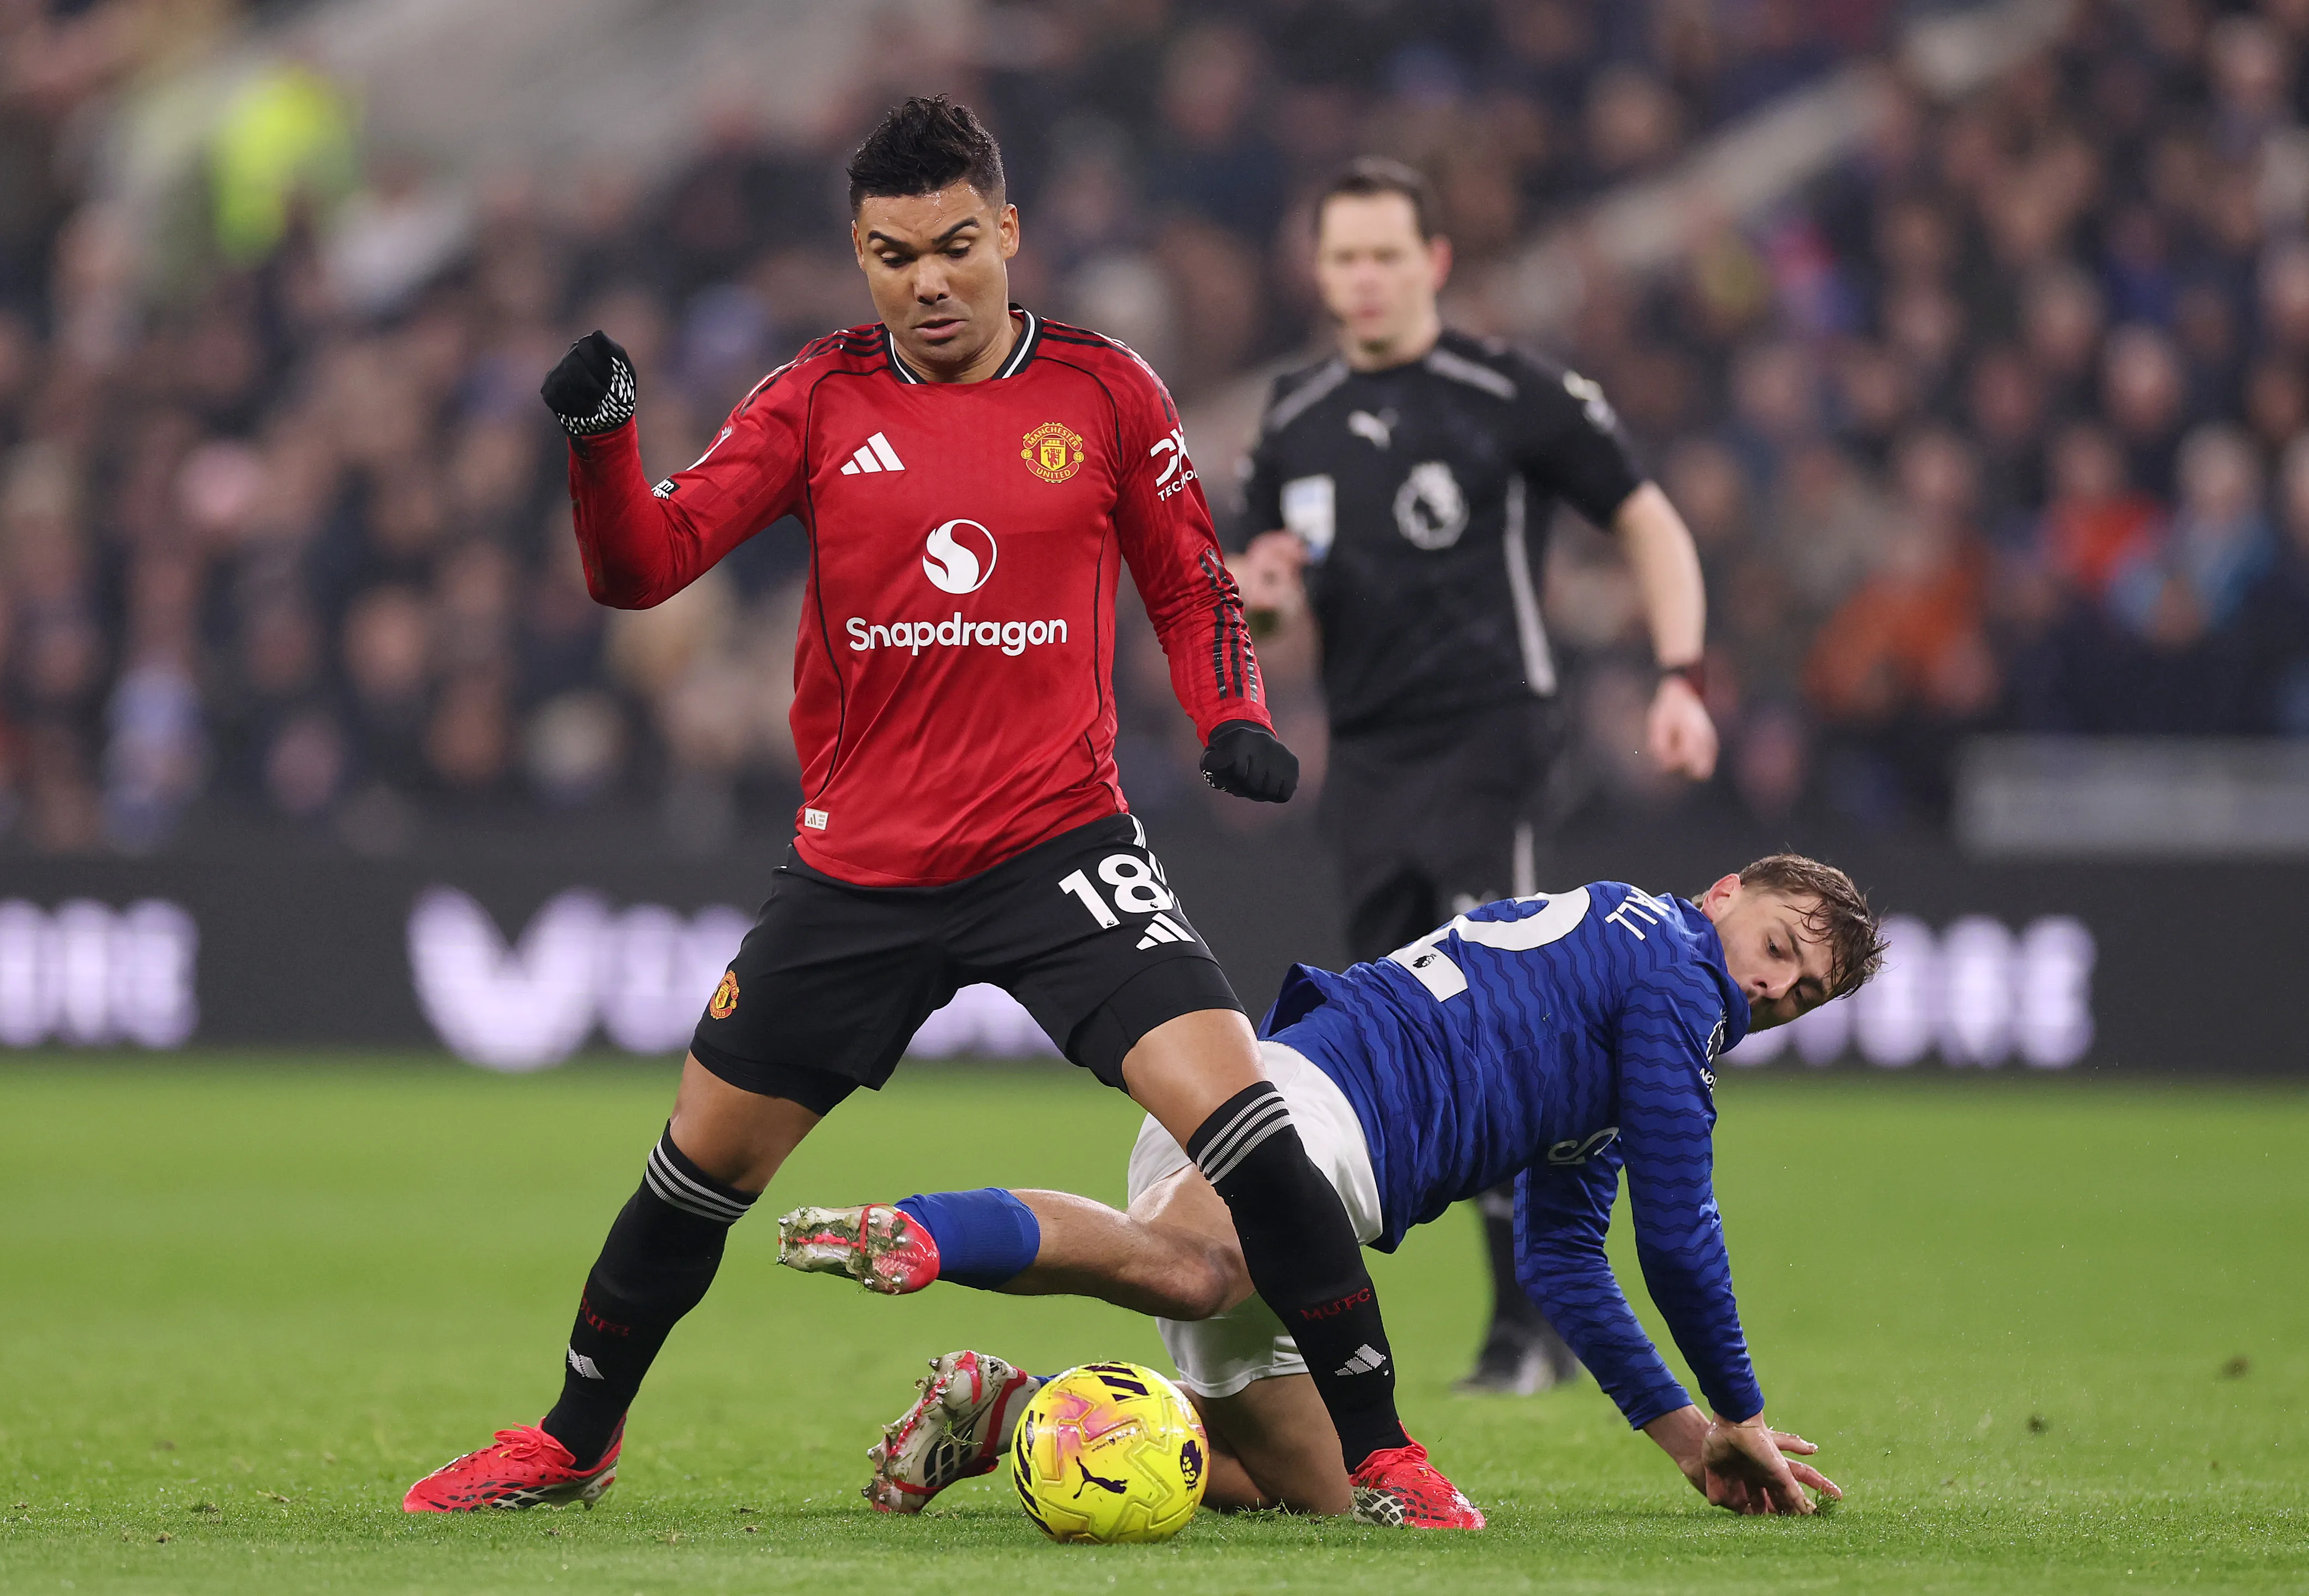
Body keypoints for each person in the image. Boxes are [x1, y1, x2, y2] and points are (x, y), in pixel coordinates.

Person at [403, 98, 1463, 1520]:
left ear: (1008, 233)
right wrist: (604, 445)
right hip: (863, 872)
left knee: (1248, 1128)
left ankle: (1387, 1453)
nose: (932, 282)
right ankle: (574, 1439)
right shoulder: (818, 397)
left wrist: (1235, 717)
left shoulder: (1102, 391)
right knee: (693, 1173)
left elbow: (1189, 579)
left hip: (1060, 847)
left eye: (958, 246)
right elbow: (642, 566)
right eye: (895, 256)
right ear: (861, 258)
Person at [778, 855, 1881, 1523]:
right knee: (1196, 1268)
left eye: (1800, 995)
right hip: (1314, 1111)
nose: (1773, 987)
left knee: (1313, 1495)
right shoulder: (1676, 973)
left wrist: (1690, 1441)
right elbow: (1680, 1236)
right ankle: (923, 1233)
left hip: (1299, 1123)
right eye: (1777, 946)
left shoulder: (1622, 989)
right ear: (1722, 895)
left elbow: (1560, 1258)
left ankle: (1003, 1410)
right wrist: (1741, 1411)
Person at [1229, 158, 1724, 1397]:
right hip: (1371, 761)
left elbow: (1650, 521)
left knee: (1496, 1021)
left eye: (1388, 254)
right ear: (1319, 269)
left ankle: (1529, 1329)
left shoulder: (1510, 392)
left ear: (1436, 261)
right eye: (1344, 257)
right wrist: (1269, 605)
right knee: (1386, 1038)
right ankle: (1400, 1322)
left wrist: (1679, 675)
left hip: (1492, 738)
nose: (1366, 279)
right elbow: (1268, 615)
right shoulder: (1291, 419)